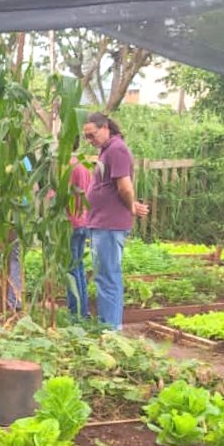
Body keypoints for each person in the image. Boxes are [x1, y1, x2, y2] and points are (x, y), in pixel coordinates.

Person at [81, 113, 149, 329]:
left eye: (92, 136)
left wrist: (130, 206)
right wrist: (132, 205)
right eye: (87, 138)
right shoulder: (107, 150)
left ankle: (111, 329)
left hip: (109, 225)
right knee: (104, 276)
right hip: (102, 224)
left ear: (105, 128)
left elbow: (125, 186)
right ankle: (107, 326)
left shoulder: (116, 149)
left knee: (107, 277)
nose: (90, 141)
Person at [65, 154, 94, 317]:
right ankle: (83, 311)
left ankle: (75, 312)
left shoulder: (67, 166)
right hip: (84, 221)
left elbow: (59, 195)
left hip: (71, 222)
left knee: (71, 269)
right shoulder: (83, 166)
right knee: (79, 267)